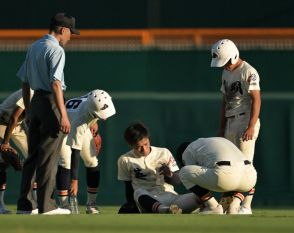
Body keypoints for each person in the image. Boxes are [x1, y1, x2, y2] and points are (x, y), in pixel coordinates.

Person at [16, 13, 80, 215]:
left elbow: (25, 81)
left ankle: (25, 205)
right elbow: (55, 83)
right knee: (48, 157)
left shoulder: (34, 46)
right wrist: (63, 114)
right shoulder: (56, 50)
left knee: (32, 157)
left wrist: (28, 108)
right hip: (51, 102)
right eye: (70, 32)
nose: (70, 37)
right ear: (63, 29)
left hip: (35, 103)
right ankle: (46, 206)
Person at [210, 39, 261, 214]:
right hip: (231, 120)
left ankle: (246, 205)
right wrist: (221, 127)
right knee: (229, 164)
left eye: (225, 62)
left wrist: (251, 125)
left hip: (245, 119)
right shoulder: (225, 73)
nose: (224, 66)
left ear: (234, 56)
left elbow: (256, 99)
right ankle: (228, 202)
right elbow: (225, 101)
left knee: (246, 165)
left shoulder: (248, 71)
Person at [56, 90, 116, 214]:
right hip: (62, 130)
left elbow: (93, 101)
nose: (104, 118)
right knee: (65, 163)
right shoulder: (80, 120)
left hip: (81, 123)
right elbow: (75, 153)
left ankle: (91, 204)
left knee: (92, 161)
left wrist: (94, 124)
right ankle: (64, 205)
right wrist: (74, 181)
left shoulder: (93, 98)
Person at [117, 122, 198, 214]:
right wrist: (131, 205)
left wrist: (169, 175)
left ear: (148, 138)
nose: (144, 149)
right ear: (130, 145)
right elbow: (128, 187)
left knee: (199, 196)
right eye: (138, 147)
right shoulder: (125, 159)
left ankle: (213, 207)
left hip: (172, 198)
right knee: (138, 192)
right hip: (147, 201)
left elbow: (178, 181)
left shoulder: (163, 152)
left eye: (146, 144)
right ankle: (164, 210)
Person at [176, 137, 257, 214]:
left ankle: (213, 207)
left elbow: (194, 178)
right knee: (244, 175)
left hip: (226, 175)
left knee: (183, 172)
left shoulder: (187, 151)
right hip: (250, 178)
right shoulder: (209, 142)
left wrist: (204, 201)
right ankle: (235, 206)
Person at [0, 89, 35, 214]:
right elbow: (14, 117)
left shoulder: (42, 95)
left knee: (34, 159)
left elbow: (23, 119)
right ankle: (0, 205)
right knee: (2, 163)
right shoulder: (30, 91)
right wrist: (5, 143)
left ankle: (34, 202)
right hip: (3, 123)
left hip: (17, 125)